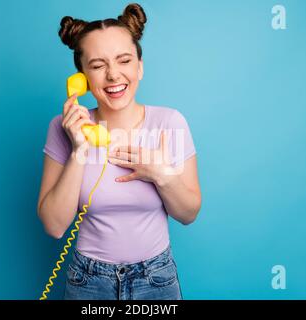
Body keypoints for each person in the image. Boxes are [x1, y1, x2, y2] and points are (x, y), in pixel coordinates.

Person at [37, 3, 201, 300]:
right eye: (98, 66)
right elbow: (54, 226)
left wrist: (161, 174)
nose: (113, 75)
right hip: (89, 279)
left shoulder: (169, 123)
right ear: (82, 78)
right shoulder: (63, 127)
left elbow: (188, 213)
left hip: (156, 278)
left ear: (140, 66)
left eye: (124, 61)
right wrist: (79, 150)